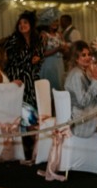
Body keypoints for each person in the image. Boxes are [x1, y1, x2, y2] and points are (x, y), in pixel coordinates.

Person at [4, 11, 44, 161]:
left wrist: (37, 59)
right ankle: (30, 146)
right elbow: (9, 62)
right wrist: (29, 61)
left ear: (31, 25)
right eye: (20, 24)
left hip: (33, 81)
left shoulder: (37, 39)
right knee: (26, 113)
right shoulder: (13, 40)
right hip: (18, 82)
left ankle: (33, 145)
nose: (22, 26)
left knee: (33, 113)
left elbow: (40, 58)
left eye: (25, 23)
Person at [64, 41, 97, 138]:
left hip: (86, 115)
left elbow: (96, 97)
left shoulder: (84, 72)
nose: (88, 57)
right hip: (80, 121)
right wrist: (95, 81)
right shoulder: (76, 75)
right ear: (76, 58)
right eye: (83, 55)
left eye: (88, 54)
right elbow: (83, 101)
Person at [38, 15, 66, 91]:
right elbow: (42, 53)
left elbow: (65, 49)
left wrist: (65, 49)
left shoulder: (60, 34)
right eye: (52, 21)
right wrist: (57, 49)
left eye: (56, 21)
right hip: (49, 64)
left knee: (60, 86)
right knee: (50, 87)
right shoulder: (43, 35)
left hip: (59, 63)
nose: (55, 23)